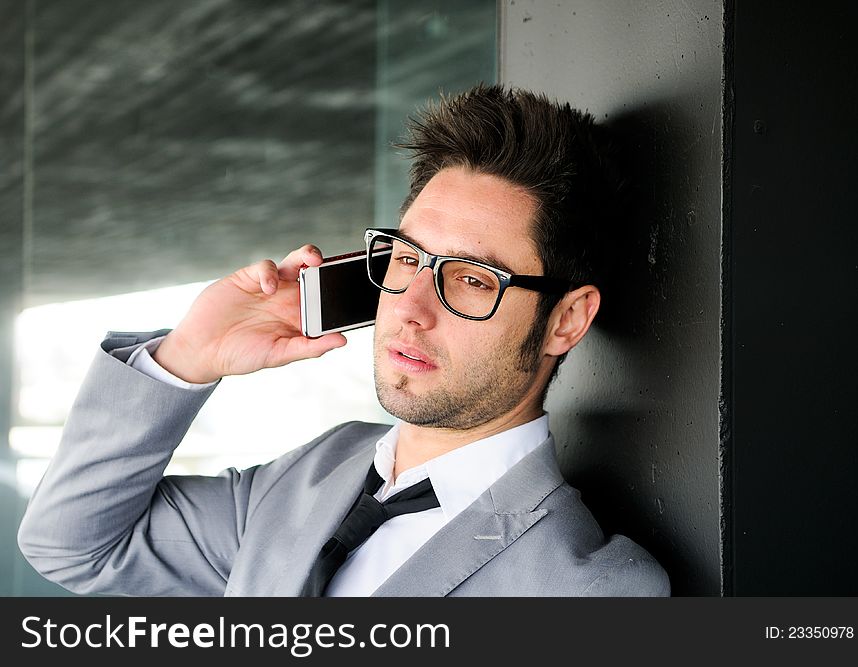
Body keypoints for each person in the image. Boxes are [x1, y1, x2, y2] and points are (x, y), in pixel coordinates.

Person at [18, 84, 669, 597]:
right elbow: (71, 543)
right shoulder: (308, 475)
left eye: (472, 278)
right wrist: (188, 354)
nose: (410, 308)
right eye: (407, 257)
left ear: (567, 319)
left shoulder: (591, 590)